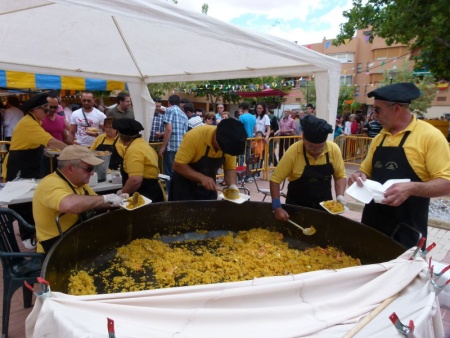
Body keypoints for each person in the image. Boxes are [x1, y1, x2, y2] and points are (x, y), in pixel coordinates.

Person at [347, 82, 450, 248]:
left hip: (406, 231)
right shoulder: (380, 137)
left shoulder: (430, 137)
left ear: (396, 108)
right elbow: (365, 170)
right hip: (372, 226)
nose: (374, 115)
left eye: (377, 110)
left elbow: (446, 183)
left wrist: (411, 188)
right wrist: (359, 176)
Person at [33, 145, 125, 254]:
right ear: (70, 168)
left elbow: (95, 202)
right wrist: (105, 198)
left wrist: (117, 201)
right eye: (89, 169)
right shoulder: (50, 184)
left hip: (75, 234)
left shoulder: (80, 183)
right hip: (56, 245)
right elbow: (68, 204)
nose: (92, 173)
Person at [270, 115, 347, 219]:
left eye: (320, 147)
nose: (315, 151)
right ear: (303, 138)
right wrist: (277, 206)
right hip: (297, 206)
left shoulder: (333, 149)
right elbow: (275, 180)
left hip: (324, 207)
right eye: (311, 146)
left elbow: (340, 176)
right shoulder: (294, 151)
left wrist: (340, 196)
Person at [171, 118, 246, 201]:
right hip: (183, 189)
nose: (223, 151)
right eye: (222, 148)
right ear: (215, 135)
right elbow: (177, 165)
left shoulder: (230, 144)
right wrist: (201, 178)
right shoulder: (194, 136)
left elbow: (229, 169)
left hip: (207, 190)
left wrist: (232, 186)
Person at [4, 93, 68, 182]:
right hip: (20, 166)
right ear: (35, 109)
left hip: (28, 164)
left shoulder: (34, 121)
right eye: (46, 110)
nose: (48, 113)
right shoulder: (29, 124)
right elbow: (51, 141)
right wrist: (74, 151)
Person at [113, 118, 164, 203]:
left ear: (120, 135)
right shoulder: (141, 144)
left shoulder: (134, 150)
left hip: (145, 195)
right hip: (151, 191)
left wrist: (122, 194)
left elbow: (135, 180)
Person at [158, 95, 188, 193]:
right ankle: (178, 195)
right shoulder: (183, 114)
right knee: (178, 174)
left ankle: (170, 196)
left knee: (169, 174)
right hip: (181, 148)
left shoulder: (170, 110)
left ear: (169, 102)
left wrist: (163, 147)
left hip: (171, 147)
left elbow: (169, 129)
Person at [40, 94, 73, 177]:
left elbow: (65, 138)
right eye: (51, 107)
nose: (53, 109)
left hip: (60, 156)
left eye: (55, 107)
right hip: (45, 156)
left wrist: (75, 144)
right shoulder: (40, 119)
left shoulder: (61, 119)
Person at [238, 101, 256, 171]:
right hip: (250, 137)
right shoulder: (253, 117)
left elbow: (240, 128)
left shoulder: (241, 117)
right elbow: (255, 128)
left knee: (241, 156)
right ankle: (248, 172)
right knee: (248, 155)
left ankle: (241, 172)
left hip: (243, 138)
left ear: (242, 108)